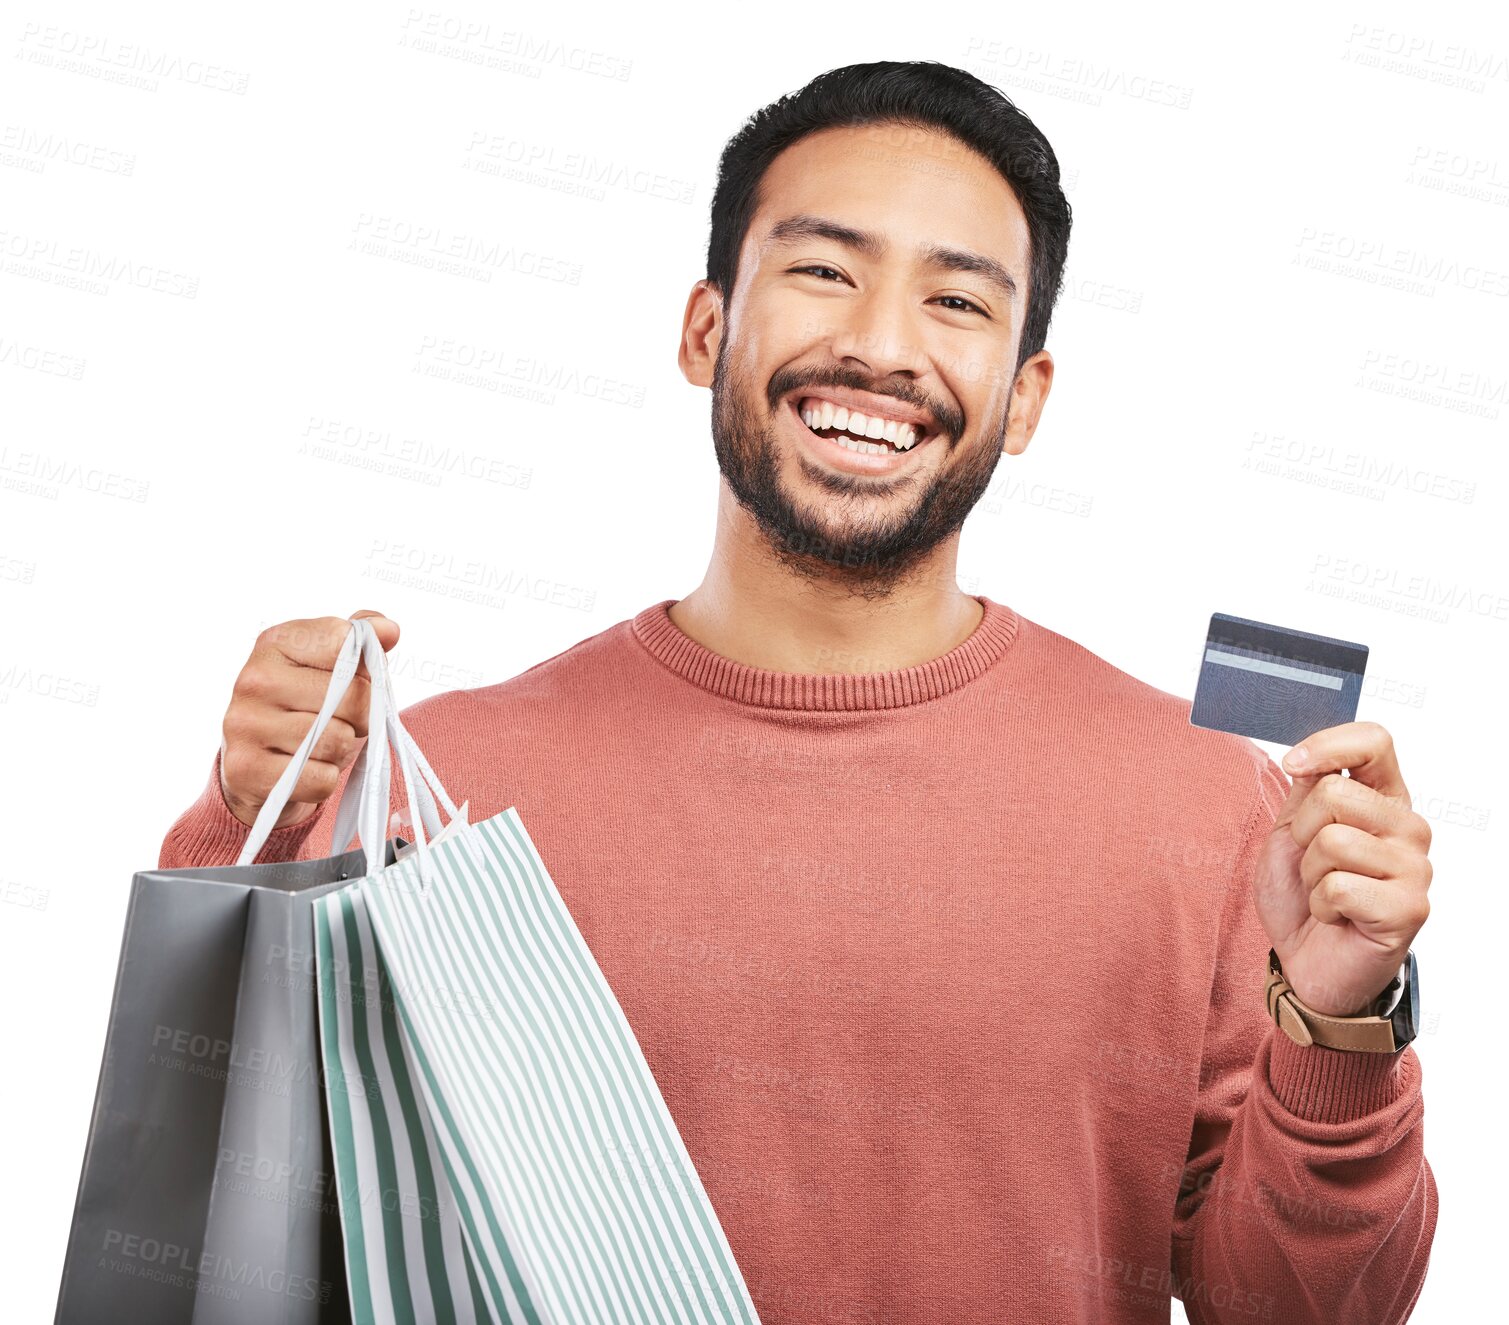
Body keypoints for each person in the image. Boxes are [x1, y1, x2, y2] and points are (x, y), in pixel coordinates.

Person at [160, 61, 1436, 1323]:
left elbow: (1296, 1311)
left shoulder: (1207, 802)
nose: (882, 346)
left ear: (1026, 397)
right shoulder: (442, 787)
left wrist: (1337, 1027)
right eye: (825, 270)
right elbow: (229, 1219)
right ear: (705, 329)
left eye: (958, 301)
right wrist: (249, 821)